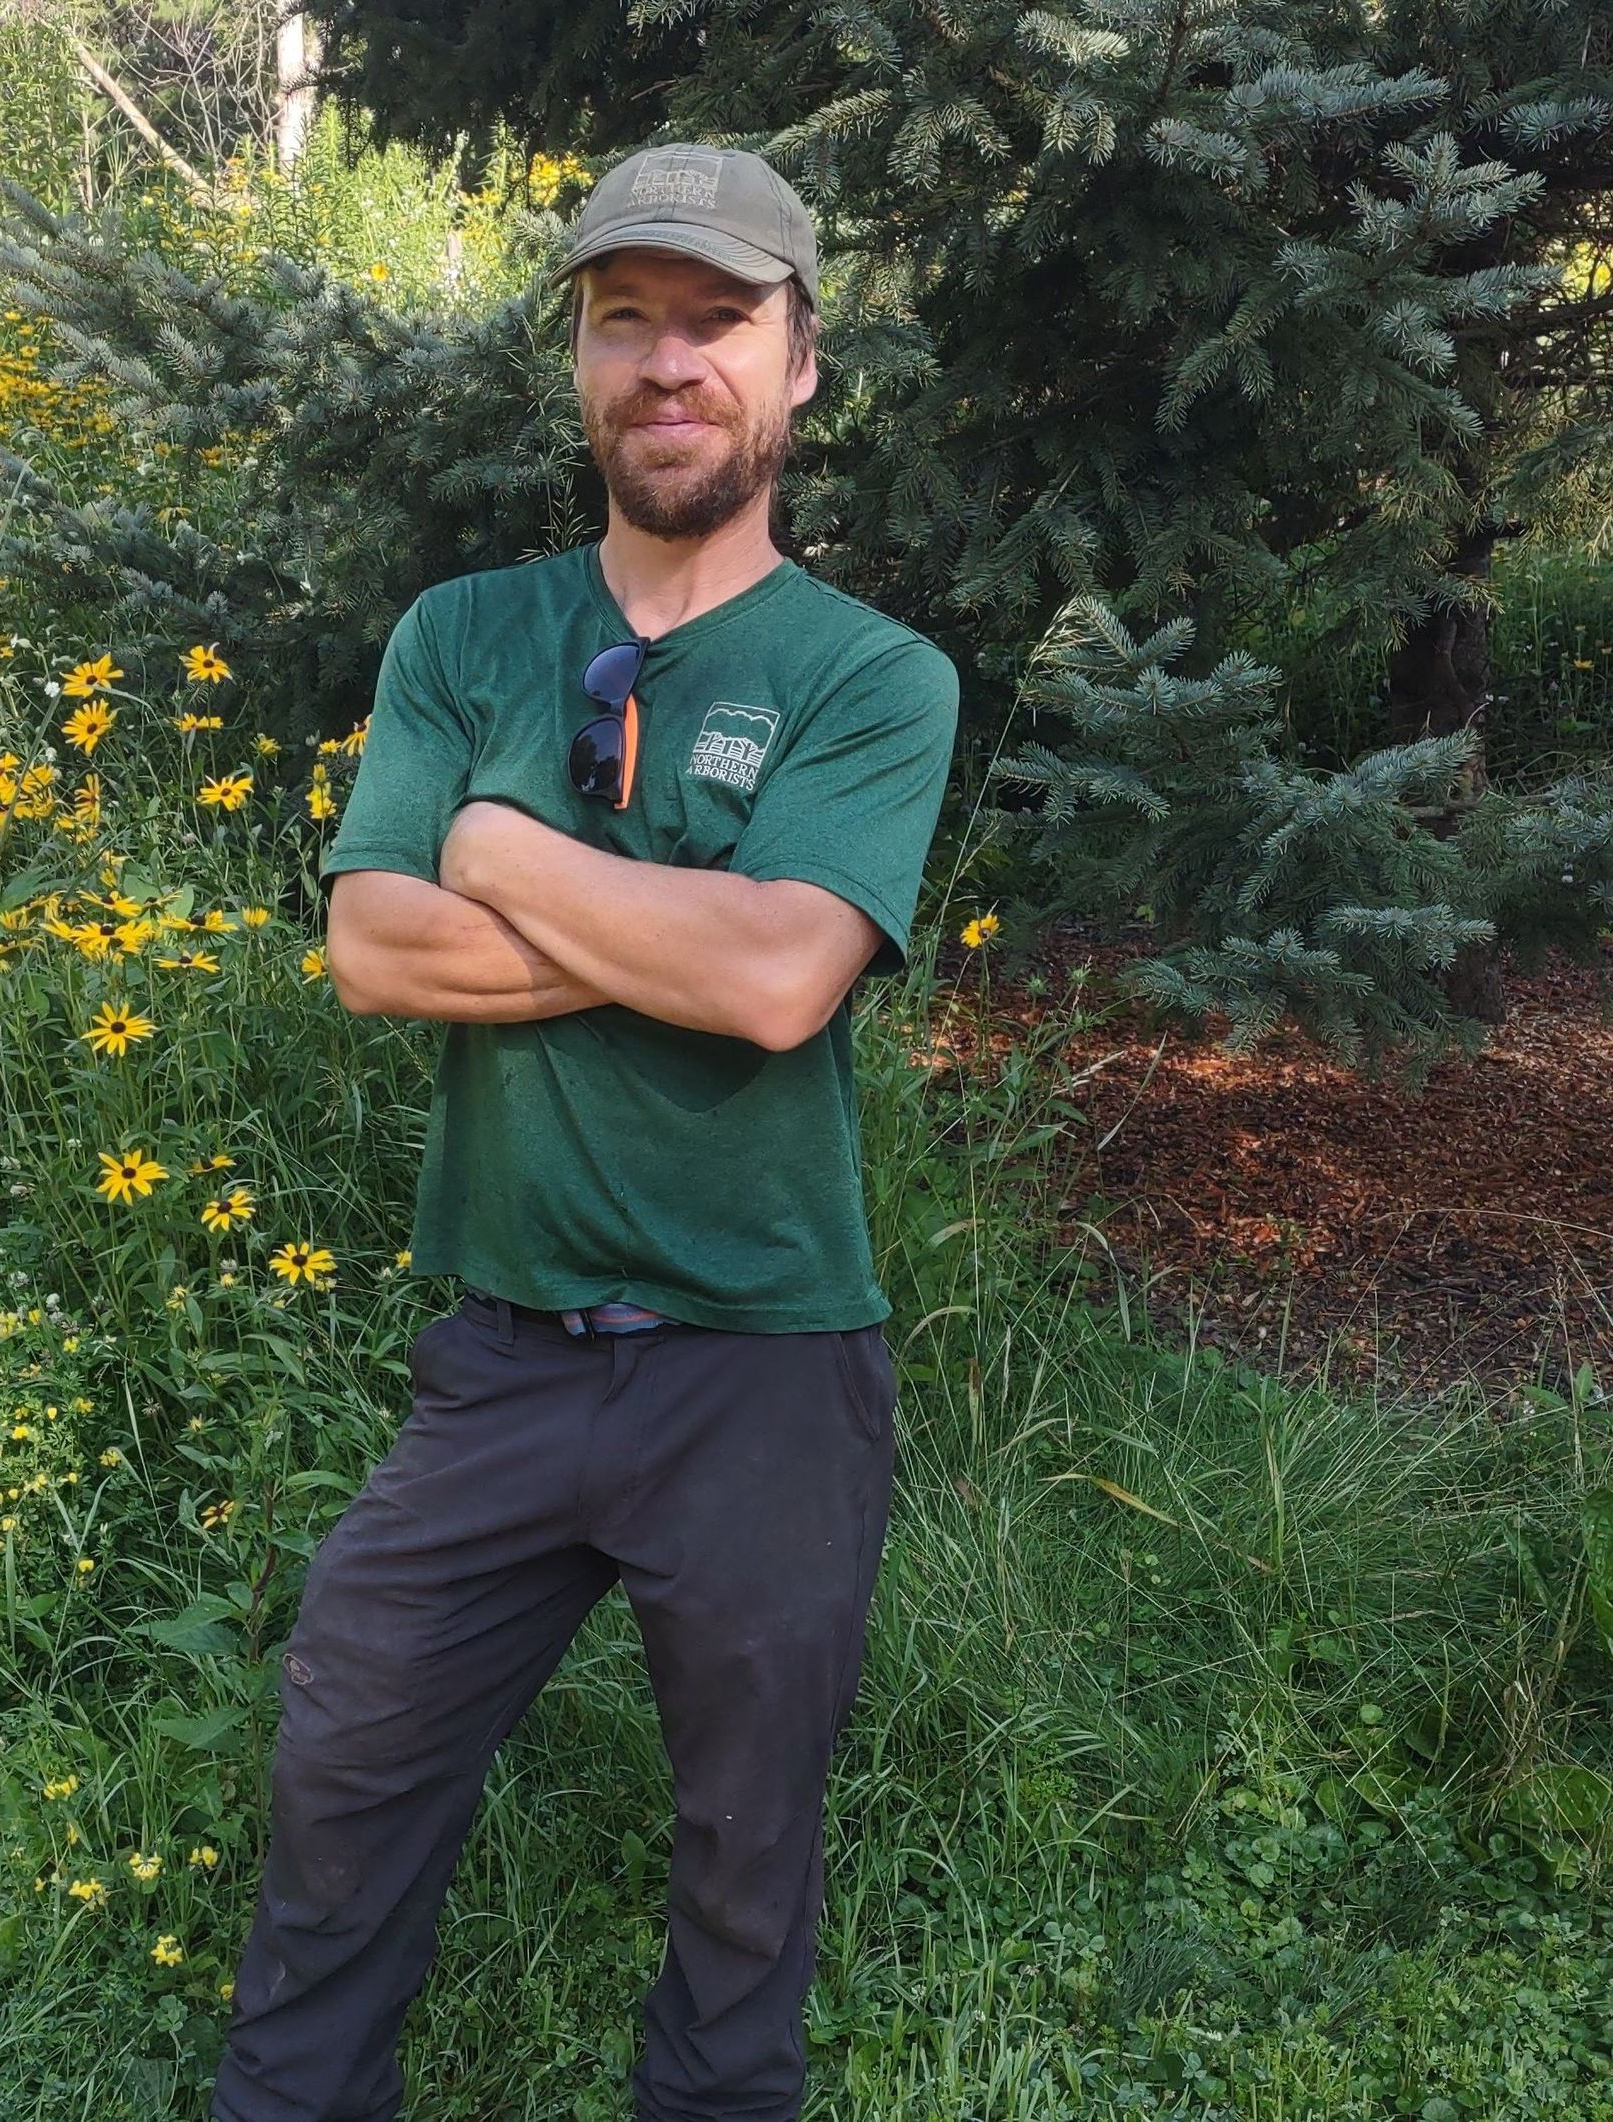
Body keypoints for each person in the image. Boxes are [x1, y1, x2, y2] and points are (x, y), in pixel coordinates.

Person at [212, 141, 961, 2122]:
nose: (667, 361)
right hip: (505, 1351)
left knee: (745, 1853)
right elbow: (373, 947)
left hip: (767, 1361)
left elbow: (783, 980)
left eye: (716, 319)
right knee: (345, 1768)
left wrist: (496, 842)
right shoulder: (466, 632)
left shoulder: (874, 676)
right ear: (579, 361)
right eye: (625, 320)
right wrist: (669, 920)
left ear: (802, 359)